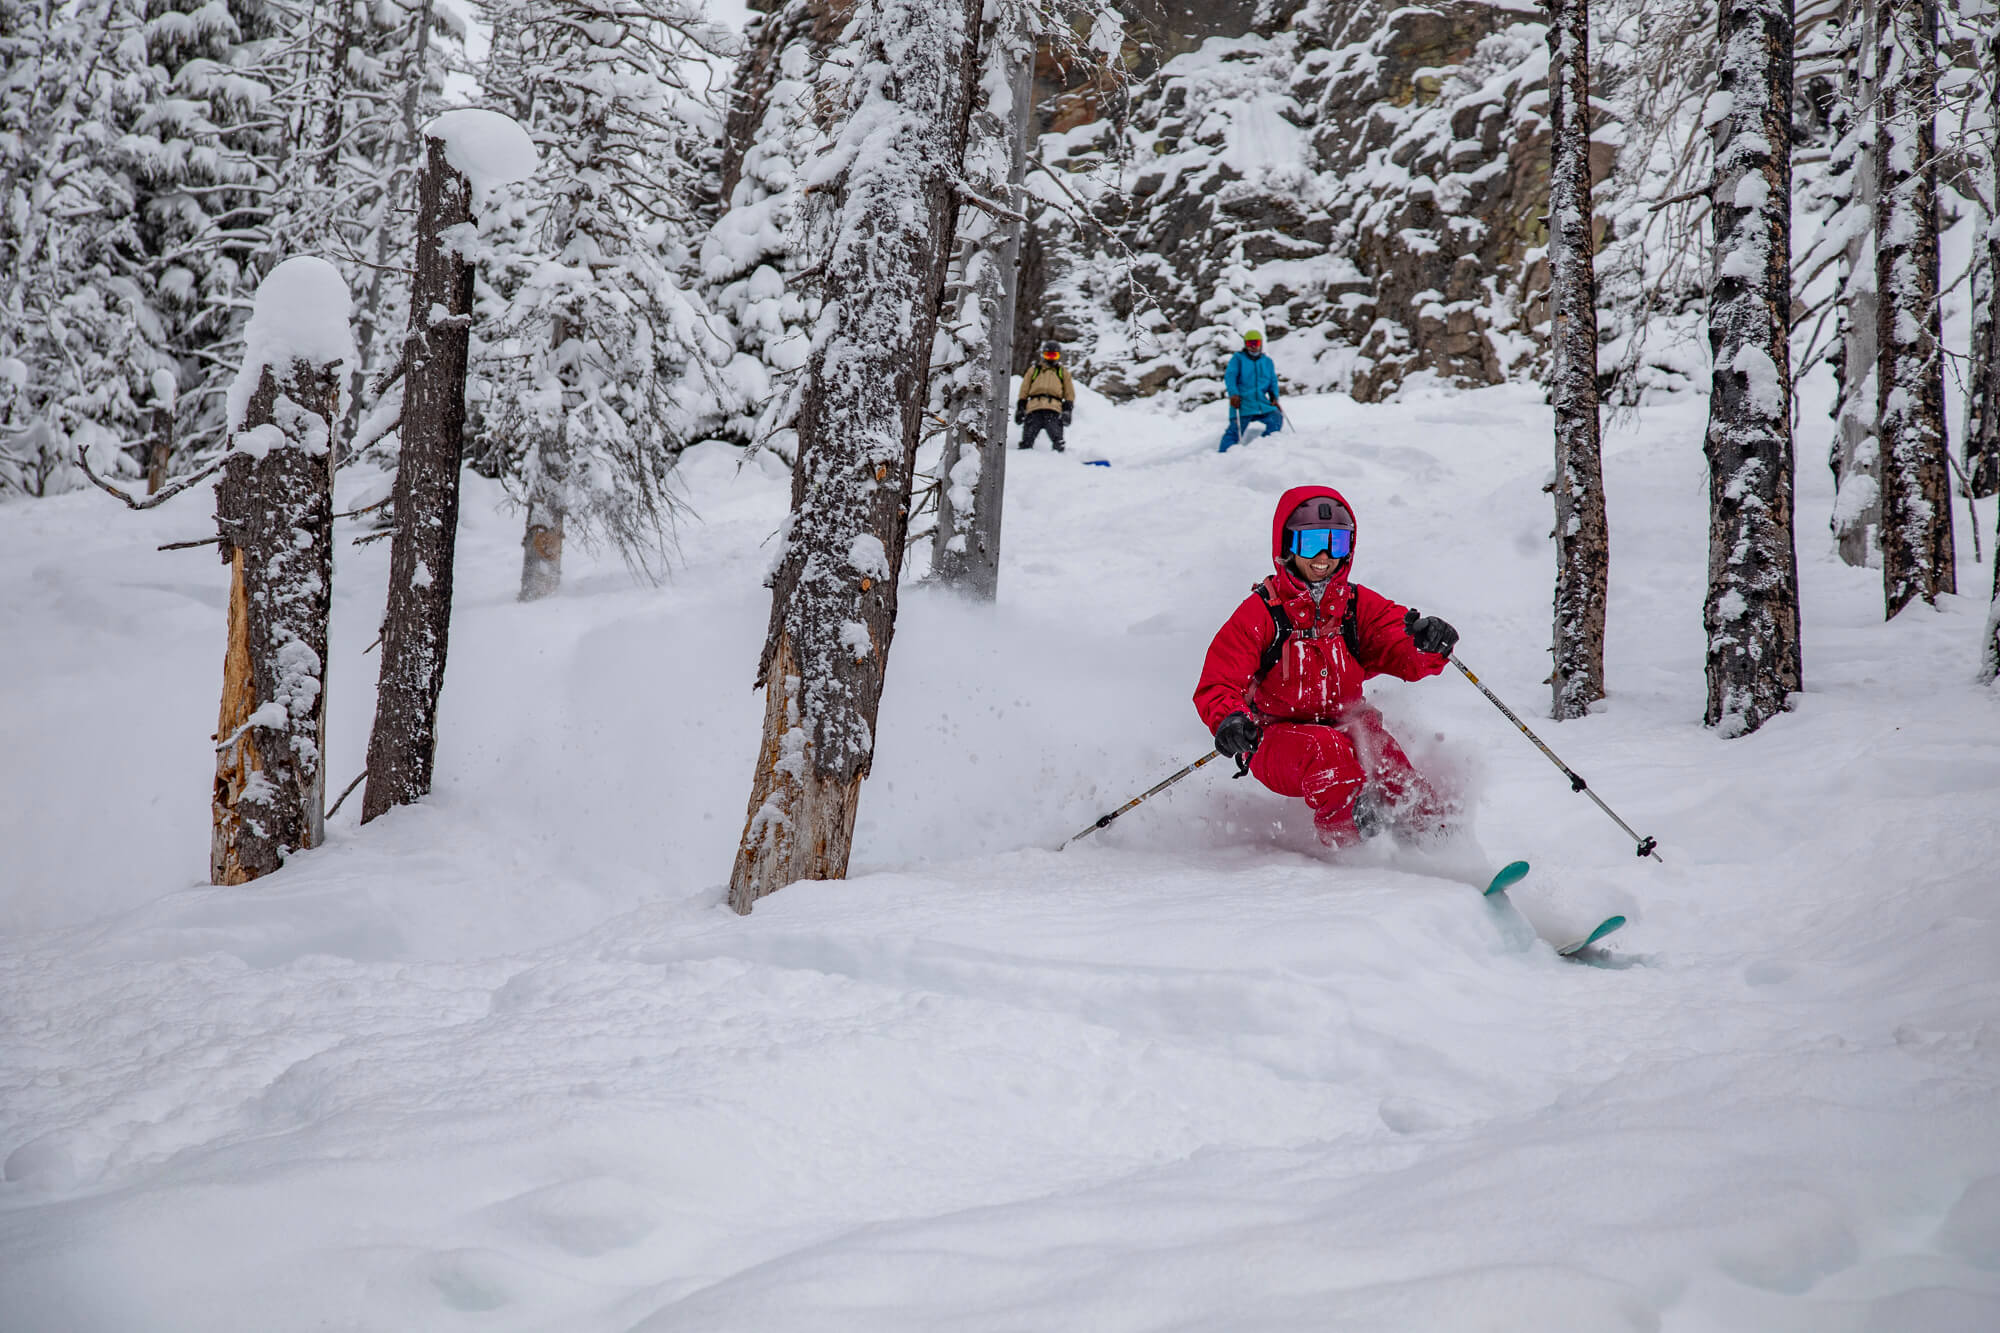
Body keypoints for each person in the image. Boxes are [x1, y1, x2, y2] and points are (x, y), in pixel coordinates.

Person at [1193, 485, 1461, 848]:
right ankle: (1349, 857)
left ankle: (1442, 847)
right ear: (1287, 546)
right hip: (1273, 739)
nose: (1324, 556)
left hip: (1347, 725)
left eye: (1337, 543)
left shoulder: (1355, 605)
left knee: (1389, 763)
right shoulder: (1261, 613)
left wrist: (1428, 643)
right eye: (1311, 542)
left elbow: (1402, 649)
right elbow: (1218, 682)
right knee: (1327, 752)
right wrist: (1230, 720)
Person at [1219, 327, 1282, 452]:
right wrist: (1234, 395)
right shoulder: (1238, 359)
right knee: (1234, 431)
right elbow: (1230, 377)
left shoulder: (1267, 361)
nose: (1253, 347)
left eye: (1256, 343)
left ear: (1261, 344)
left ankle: (1262, 448)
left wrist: (1274, 397)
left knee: (1276, 419)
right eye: (1250, 343)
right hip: (1243, 403)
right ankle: (1223, 455)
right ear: (1245, 345)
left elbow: (1272, 380)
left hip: (1262, 404)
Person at [1015, 339, 1075, 452]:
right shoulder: (1034, 370)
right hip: (1034, 409)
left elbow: (1069, 393)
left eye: (1054, 355)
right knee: (1027, 440)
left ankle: (1059, 461)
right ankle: (1023, 458)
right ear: (1043, 355)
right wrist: (1020, 407)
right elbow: (1024, 390)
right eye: (1048, 355)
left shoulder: (1062, 372)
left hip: (1054, 409)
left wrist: (1068, 410)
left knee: (1058, 441)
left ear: (1058, 356)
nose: (1051, 358)